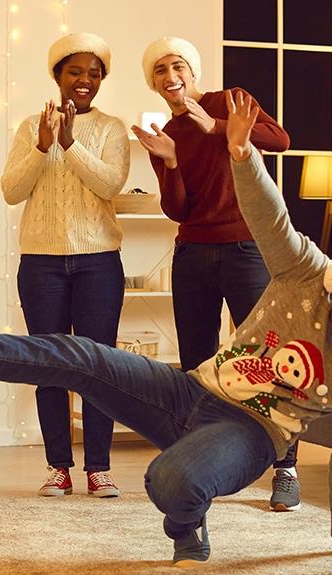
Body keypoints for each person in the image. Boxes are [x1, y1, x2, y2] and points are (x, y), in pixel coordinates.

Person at [0, 91, 332, 566]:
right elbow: (271, 217)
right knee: (75, 355)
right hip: (189, 390)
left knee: (169, 479)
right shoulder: (305, 274)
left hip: (251, 434)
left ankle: (187, 530)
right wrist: (240, 154)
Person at [130, 37, 304, 513]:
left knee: (270, 358)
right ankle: (198, 463)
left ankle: (285, 468)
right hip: (193, 255)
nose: (171, 76)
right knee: (198, 366)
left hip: (247, 249)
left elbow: (279, 140)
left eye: (178, 65)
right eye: (160, 70)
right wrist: (168, 162)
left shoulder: (230, 101)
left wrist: (217, 126)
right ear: (154, 83)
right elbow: (177, 208)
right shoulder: (167, 133)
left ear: (193, 71)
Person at [0, 33, 129, 499]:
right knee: (49, 365)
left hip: (98, 262)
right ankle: (58, 467)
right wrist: (42, 145)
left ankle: (98, 468)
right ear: (57, 75)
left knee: (98, 366)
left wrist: (70, 144)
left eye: (94, 74)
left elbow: (111, 184)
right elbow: (11, 190)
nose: (85, 81)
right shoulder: (32, 125)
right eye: (76, 71)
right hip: (42, 265)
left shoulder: (113, 129)